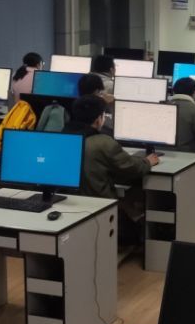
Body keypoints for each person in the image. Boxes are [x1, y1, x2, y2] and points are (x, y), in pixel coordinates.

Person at [64, 94, 158, 245]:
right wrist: (147, 161)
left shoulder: (61, 137)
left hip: (68, 203)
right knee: (135, 197)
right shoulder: (103, 143)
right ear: (98, 119)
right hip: (99, 205)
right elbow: (132, 168)